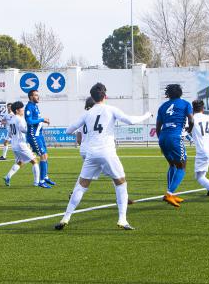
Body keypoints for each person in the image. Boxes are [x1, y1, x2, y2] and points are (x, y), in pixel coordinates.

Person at [55, 83, 152, 230]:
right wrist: (146, 115)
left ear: (92, 97)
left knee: (81, 186)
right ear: (105, 95)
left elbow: (69, 130)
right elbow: (131, 121)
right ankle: (122, 219)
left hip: (91, 154)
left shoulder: (87, 113)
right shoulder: (111, 109)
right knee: (121, 183)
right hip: (107, 152)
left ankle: (65, 217)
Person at [156, 84, 194, 208]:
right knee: (182, 165)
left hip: (163, 137)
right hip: (175, 137)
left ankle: (170, 193)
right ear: (180, 93)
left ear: (168, 94)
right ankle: (169, 193)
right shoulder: (185, 104)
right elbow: (191, 120)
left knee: (172, 164)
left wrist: (162, 140)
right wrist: (189, 130)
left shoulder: (162, 107)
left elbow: (157, 127)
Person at [2, 101, 40, 186]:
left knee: (20, 162)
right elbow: (23, 129)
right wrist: (32, 129)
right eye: (21, 109)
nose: (23, 110)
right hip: (21, 144)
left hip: (14, 145)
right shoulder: (19, 119)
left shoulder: (11, 119)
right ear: (17, 110)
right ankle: (37, 182)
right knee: (34, 161)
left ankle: (8, 176)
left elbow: (10, 133)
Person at [25, 90, 54, 188]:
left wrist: (43, 121)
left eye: (38, 95)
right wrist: (42, 119)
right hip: (33, 136)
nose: (38, 97)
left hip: (39, 135)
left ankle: (45, 177)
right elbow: (29, 121)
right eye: (36, 95)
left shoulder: (35, 106)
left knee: (45, 155)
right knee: (42, 156)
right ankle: (41, 181)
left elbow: (36, 121)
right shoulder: (29, 107)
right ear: (30, 97)